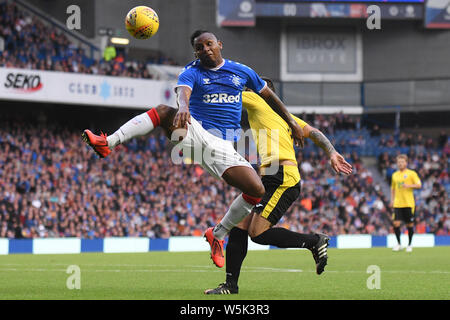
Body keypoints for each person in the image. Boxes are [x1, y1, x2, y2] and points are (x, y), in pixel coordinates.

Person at [82, 30, 305, 266]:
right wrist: (183, 106)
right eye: (200, 47)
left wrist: (291, 121)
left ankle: (217, 234)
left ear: (219, 44)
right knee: (163, 111)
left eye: (209, 44)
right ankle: (109, 143)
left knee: (256, 190)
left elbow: (268, 96)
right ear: (195, 52)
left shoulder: (242, 71)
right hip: (195, 130)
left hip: (222, 145)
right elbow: (183, 92)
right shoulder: (192, 71)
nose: (205, 49)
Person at [204, 78, 353, 294]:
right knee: (239, 226)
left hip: (282, 176)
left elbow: (225, 97)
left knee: (257, 233)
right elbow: (314, 133)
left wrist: (200, 86)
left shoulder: (257, 100)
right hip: (271, 175)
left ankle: (314, 241)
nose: (249, 91)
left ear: (264, 93)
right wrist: (331, 152)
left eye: (253, 88)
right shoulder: (289, 118)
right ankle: (230, 285)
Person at [390, 154, 421, 253]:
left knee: (409, 224)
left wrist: (409, 185)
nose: (400, 164)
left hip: (408, 203)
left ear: (406, 163)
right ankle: (399, 244)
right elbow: (393, 189)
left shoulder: (411, 173)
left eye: (402, 162)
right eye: (399, 162)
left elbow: (419, 185)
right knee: (396, 223)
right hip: (398, 203)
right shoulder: (394, 175)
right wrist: (392, 200)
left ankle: (410, 244)